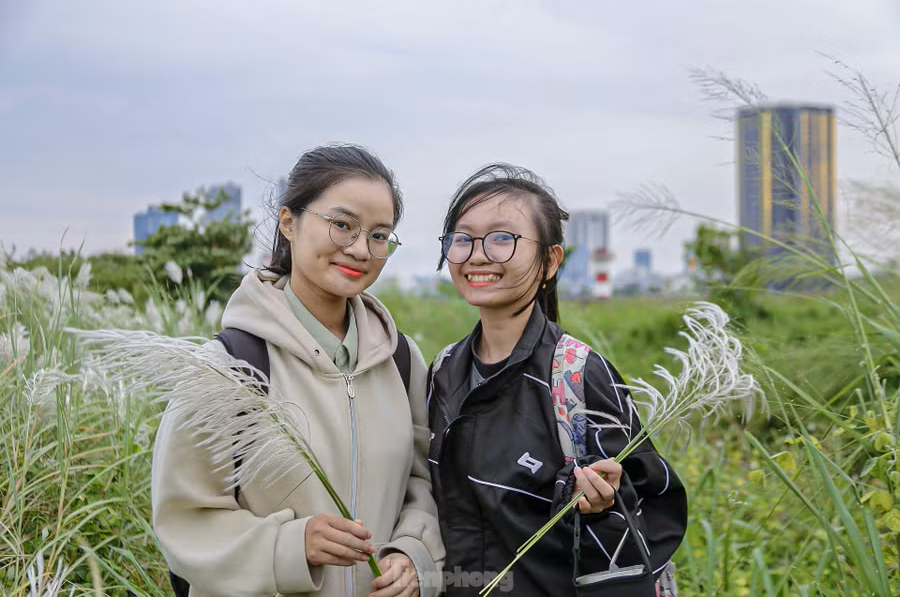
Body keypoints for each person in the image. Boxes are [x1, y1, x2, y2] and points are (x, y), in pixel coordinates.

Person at [152, 144, 444, 597]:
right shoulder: (230, 368)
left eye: (380, 235)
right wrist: (292, 546)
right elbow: (185, 521)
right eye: (342, 225)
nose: (361, 249)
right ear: (289, 222)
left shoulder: (401, 359)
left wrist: (412, 555)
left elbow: (421, 485)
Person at [426, 164, 687, 596]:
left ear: (550, 260)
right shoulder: (444, 370)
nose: (477, 254)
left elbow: (652, 507)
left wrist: (604, 507)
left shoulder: (578, 375)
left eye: (502, 238)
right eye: (463, 238)